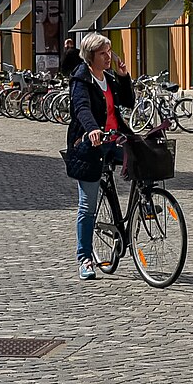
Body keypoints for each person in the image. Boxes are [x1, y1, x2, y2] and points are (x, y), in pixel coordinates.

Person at [65, 32, 134, 281]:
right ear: (90, 56)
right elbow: (81, 107)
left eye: (109, 52)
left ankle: (144, 203)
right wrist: (92, 128)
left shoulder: (109, 78)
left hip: (114, 139)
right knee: (88, 205)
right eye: (103, 53)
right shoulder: (81, 79)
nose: (108, 57)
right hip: (89, 144)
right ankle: (85, 258)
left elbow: (127, 102)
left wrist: (124, 77)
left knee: (144, 156)